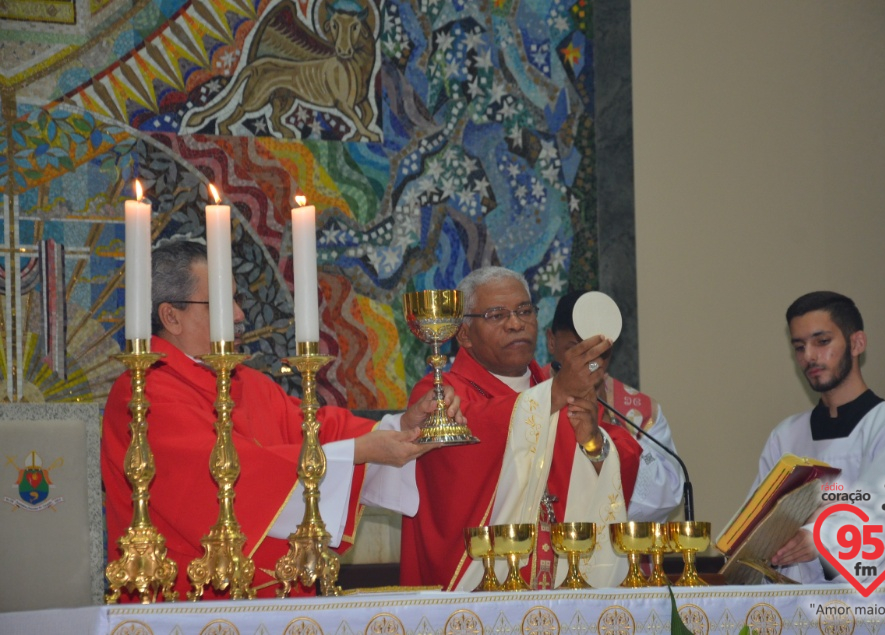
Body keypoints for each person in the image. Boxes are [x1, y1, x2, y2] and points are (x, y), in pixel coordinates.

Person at [102, 239, 464, 600]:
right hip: (191, 603)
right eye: (222, 302)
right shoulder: (142, 395)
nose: (240, 315)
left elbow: (317, 430)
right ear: (171, 317)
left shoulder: (247, 384)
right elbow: (225, 477)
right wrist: (359, 451)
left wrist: (403, 426)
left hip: (280, 599)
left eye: (237, 299)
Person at [399, 266, 642, 591]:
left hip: (564, 590)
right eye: (496, 315)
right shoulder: (440, 393)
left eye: (524, 311)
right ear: (464, 334)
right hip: (479, 598)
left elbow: (623, 455)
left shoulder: (552, 387)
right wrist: (554, 395)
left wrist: (594, 444)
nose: (516, 323)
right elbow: (467, 450)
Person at [752, 291, 885, 584]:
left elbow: (884, 514)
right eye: (799, 347)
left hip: (881, 612)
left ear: (857, 343)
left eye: (822, 341)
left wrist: (818, 537)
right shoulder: (785, 437)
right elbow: (761, 522)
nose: (809, 356)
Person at [546, 290, 683, 522]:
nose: (587, 362)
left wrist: (606, 441)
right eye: (574, 349)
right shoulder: (529, 397)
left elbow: (669, 495)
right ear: (551, 341)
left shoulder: (638, 411)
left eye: (599, 351)